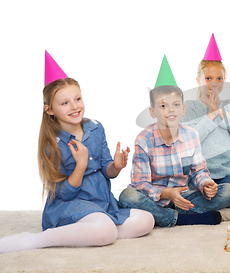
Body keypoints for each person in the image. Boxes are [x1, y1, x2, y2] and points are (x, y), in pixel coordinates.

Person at [0, 54, 154, 254]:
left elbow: (108, 172)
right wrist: (80, 165)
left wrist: (116, 165)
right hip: (70, 206)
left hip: (101, 203)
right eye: (64, 103)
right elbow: (63, 193)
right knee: (106, 230)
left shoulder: (95, 128)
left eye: (77, 99)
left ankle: (94, 230)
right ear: (49, 110)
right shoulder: (52, 143)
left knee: (146, 220)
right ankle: (36, 240)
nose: (74, 107)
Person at [118, 55, 230, 227]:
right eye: (163, 106)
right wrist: (167, 193)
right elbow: (140, 184)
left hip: (185, 197)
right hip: (155, 198)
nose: (171, 111)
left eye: (176, 105)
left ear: (183, 109)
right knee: (127, 196)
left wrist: (206, 184)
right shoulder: (144, 140)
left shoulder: (191, 135)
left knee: (229, 192)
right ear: (153, 112)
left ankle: (167, 216)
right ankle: (178, 218)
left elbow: (198, 171)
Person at [181, 34, 230, 207]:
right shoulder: (189, 107)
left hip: (224, 175)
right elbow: (189, 140)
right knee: (193, 193)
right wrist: (211, 115)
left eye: (219, 78)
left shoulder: (229, 105)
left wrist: (221, 112)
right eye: (208, 79)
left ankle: (199, 207)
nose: (214, 84)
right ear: (198, 81)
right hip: (195, 175)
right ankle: (199, 204)